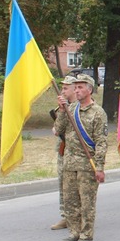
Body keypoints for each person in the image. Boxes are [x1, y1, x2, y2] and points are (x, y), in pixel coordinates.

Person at [54, 73, 108, 241]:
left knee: (87, 203)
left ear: (89, 90)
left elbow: (101, 142)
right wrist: (62, 111)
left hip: (87, 165)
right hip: (69, 163)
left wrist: (99, 167)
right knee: (70, 202)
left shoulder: (98, 113)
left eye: (80, 87)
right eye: (75, 87)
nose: (76, 90)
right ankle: (74, 232)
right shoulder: (71, 108)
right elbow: (58, 129)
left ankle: (86, 234)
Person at [50, 74, 77, 230]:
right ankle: (65, 216)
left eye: (66, 88)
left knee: (76, 186)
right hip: (63, 150)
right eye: (62, 88)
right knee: (63, 184)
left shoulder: (79, 108)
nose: (63, 91)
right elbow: (56, 129)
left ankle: (77, 215)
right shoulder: (60, 108)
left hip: (76, 152)